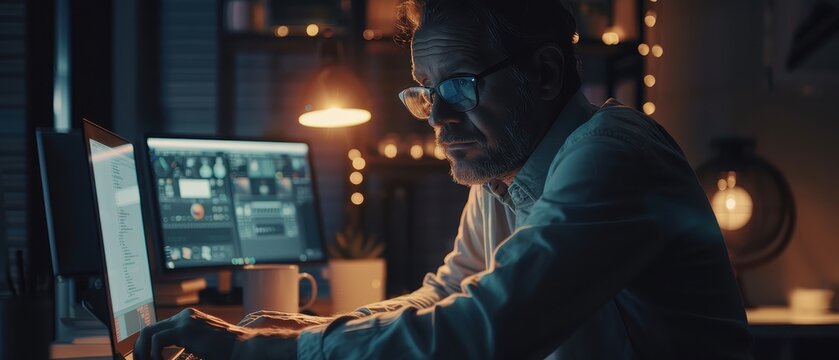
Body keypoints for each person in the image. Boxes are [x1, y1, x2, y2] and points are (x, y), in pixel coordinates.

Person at [136, 0, 753, 359]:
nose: (437, 115)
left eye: (457, 86)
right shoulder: (501, 175)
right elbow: (448, 295)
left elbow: (487, 331)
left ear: (542, 75)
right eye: (425, 92)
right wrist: (307, 329)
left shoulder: (612, 156)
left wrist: (264, 352)